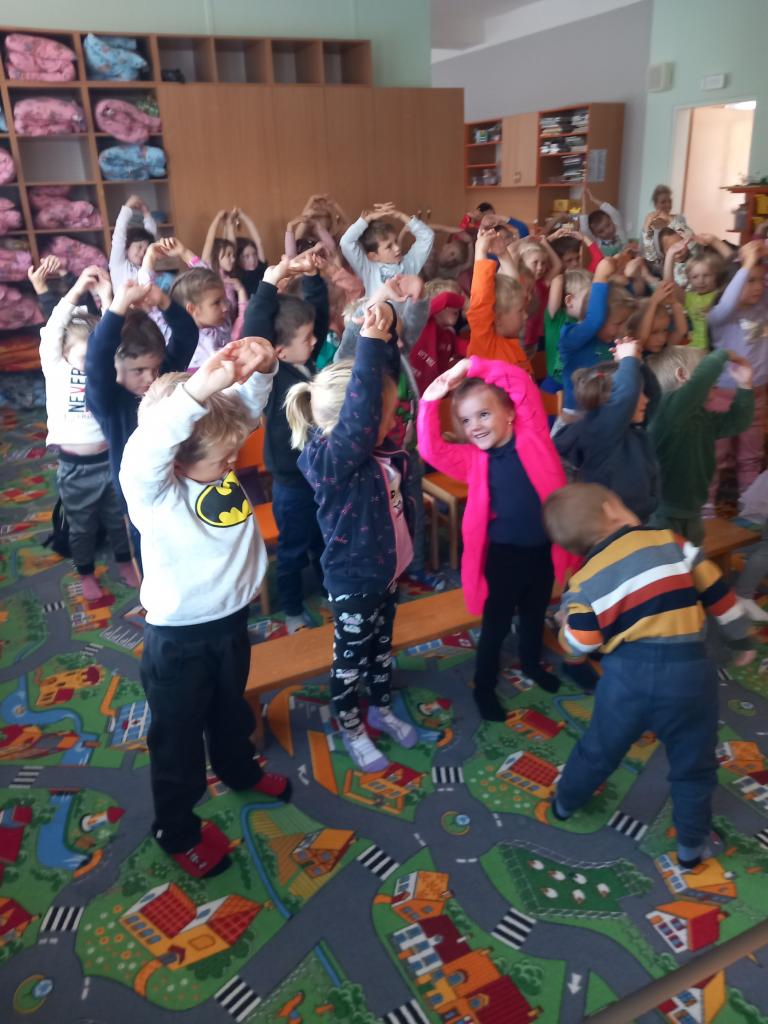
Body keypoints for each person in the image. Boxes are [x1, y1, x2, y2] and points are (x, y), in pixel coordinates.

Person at [120, 338, 290, 879]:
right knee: (177, 743)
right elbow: (148, 448)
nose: (232, 464)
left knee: (230, 712)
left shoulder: (213, 452)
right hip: (179, 644)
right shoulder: (154, 494)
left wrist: (263, 369)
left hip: (232, 623)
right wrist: (195, 392)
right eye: (223, 461)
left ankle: (238, 770)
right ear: (178, 457)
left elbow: (242, 410)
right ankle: (176, 828)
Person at [543, 483, 753, 868]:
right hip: (690, 674)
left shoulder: (584, 582)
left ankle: (565, 802)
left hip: (627, 681)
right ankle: (691, 846)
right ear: (611, 509)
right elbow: (717, 590)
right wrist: (740, 639)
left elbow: (580, 644)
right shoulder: (669, 540)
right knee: (694, 764)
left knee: (599, 748)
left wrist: (564, 627)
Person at [284, 301, 420, 772]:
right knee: (349, 661)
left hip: (386, 572)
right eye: (385, 414)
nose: (393, 420)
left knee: (381, 650)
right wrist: (368, 345)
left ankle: (380, 708)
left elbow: (380, 391)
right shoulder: (333, 462)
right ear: (357, 423)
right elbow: (362, 414)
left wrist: (385, 333)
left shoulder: (370, 448)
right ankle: (350, 723)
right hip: (355, 581)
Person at [417, 356, 579, 719]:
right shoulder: (473, 459)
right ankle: (484, 685)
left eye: (483, 414)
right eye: (465, 420)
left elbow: (518, 380)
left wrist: (468, 366)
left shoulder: (532, 434)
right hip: (503, 556)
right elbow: (430, 450)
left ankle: (530, 663)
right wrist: (430, 401)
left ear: (509, 412)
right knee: (496, 624)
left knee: (536, 612)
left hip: (542, 548)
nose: (474, 425)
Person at [33, 260, 138, 600]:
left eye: (96, 354)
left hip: (109, 460)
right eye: (84, 356)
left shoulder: (103, 368)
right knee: (81, 526)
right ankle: (86, 571)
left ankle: (125, 562)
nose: (93, 361)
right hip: (75, 467)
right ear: (65, 353)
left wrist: (108, 298)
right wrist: (78, 289)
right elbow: (54, 328)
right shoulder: (55, 366)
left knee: (117, 518)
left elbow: (111, 338)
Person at [84, 278, 199, 561]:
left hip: (183, 487)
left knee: (192, 554)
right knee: (158, 563)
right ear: (115, 365)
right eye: (138, 370)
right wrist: (119, 305)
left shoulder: (161, 379)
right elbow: (97, 356)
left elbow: (186, 335)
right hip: (144, 505)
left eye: (155, 367)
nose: (150, 378)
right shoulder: (108, 401)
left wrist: (164, 301)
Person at [243, 252, 328, 632]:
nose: (316, 340)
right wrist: (268, 283)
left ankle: (326, 589)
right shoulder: (274, 374)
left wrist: (313, 278)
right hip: (292, 483)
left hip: (318, 477)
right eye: (307, 339)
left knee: (323, 538)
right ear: (278, 351)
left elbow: (318, 320)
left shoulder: (303, 359)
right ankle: (292, 610)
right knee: (292, 549)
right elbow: (254, 332)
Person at [648, 345, 754, 544]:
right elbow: (699, 384)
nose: (714, 382)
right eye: (711, 380)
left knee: (695, 559)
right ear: (682, 375)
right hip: (662, 514)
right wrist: (722, 354)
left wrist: (744, 385)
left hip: (692, 511)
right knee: (670, 561)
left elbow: (738, 422)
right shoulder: (665, 412)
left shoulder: (701, 417)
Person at [554, 339, 660, 522]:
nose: (646, 400)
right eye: (639, 393)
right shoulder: (599, 434)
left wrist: (638, 364)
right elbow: (626, 395)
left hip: (638, 521)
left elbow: (654, 395)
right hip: (610, 526)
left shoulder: (632, 429)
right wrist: (628, 360)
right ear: (610, 402)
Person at [707, 240, 768, 502]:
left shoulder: (763, 308)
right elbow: (729, 302)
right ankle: (706, 506)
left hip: (757, 394)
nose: (758, 287)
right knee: (716, 456)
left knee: (751, 456)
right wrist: (747, 264)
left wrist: (762, 253)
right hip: (723, 394)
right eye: (750, 281)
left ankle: (750, 508)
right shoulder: (720, 315)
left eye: (761, 281)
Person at [558, 257, 635, 416]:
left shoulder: (612, 342)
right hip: (575, 417)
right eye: (617, 323)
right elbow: (595, 321)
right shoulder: (570, 337)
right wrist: (600, 276)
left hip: (603, 415)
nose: (622, 329)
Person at [466, 225, 531, 372]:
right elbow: (481, 301)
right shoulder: (485, 343)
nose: (526, 316)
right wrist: (480, 251)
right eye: (520, 311)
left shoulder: (509, 338)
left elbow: (517, 290)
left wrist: (502, 253)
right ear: (498, 319)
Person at [339, 201, 434, 298]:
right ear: (374, 256)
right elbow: (346, 242)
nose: (397, 248)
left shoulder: (409, 264)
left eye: (396, 241)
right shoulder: (368, 269)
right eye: (389, 246)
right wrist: (365, 221)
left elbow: (427, 236)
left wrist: (400, 216)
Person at [543, 268, 591, 391]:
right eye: (588, 298)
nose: (593, 303)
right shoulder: (556, 318)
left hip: (580, 385)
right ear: (569, 301)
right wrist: (569, 272)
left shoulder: (590, 321)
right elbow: (557, 281)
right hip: (555, 384)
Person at [517, 238, 562, 356]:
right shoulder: (518, 281)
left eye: (543, 263)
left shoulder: (543, 283)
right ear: (522, 263)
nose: (540, 267)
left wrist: (544, 242)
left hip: (537, 337)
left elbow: (558, 265)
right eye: (535, 262)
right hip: (519, 337)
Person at [109, 194, 157, 291]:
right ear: (127, 247)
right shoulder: (118, 264)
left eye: (146, 250)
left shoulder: (145, 265)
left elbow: (151, 238)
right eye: (139, 247)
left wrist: (146, 212)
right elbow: (119, 233)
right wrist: (128, 207)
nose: (143, 253)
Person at [626, 280, 688, 355]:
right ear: (633, 332)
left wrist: (674, 303)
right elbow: (641, 338)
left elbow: (681, 331)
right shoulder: (635, 351)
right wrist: (653, 303)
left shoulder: (665, 346)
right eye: (654, 332)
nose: (662, 339)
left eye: (665, 330)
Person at [579, 187, 627, 257]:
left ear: (611, 220)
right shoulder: (597, 241)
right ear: (595, 234)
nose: (607, 231)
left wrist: (593, 199)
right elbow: (585, 229)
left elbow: (612, 211)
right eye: (601, 231)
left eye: (608, 225)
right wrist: (584, 205)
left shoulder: (618, 229)